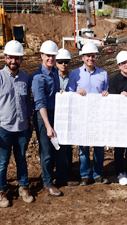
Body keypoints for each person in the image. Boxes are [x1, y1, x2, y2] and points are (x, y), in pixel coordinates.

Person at [0, 40, 34, 207]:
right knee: (2, 161)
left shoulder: (25, 78)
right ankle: (1, 190)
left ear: (21, 59)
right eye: (10, 58)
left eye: (17, 58)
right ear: (5, 58)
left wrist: (28, 123)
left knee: (21, 159)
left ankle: (23, 187)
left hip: (21, 128)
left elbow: (27, 103)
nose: (14, 61)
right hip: (4, 128)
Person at [32, 40, 77, 197]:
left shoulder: (53, 73)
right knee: (47, 151)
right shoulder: (38, 77)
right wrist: (48, 125)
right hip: (44, 116)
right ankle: (48, 182)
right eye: (48, 55)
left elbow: (54, 93)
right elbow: (40, 103)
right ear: (42, 55)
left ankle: (62, 177)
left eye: (53, 56)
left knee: (61, 148)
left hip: (56, 114)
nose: (51, 58)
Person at [66, 43, 110, 186]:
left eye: (93, 56)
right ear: (83, 57)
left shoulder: (103, 74)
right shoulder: (75, 74)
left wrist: (105, 94)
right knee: (83, 147)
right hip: (82, 116)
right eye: (88, 56)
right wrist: (76, 92)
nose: (91, 58)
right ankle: (85, 174)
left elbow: (106, 93)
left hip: (97, 116)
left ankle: (97, 174)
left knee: (98, 147)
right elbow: (69, 94)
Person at [109, 51, 127, 186]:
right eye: (124, 63)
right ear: (119, 66)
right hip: (120, 119)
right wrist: (120, 96)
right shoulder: (114, 81)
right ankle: (121, 173)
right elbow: (112, 101)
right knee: (120, 148)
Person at [55, 48, 78, 181]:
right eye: (60, 61)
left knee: (68, 144)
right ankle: (57, 170)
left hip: (70, 115)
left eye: (66, 62)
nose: (63, 64)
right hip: (56, 114)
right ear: (56, 63)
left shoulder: (73, 77)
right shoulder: (53, 77)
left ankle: (68, 169)